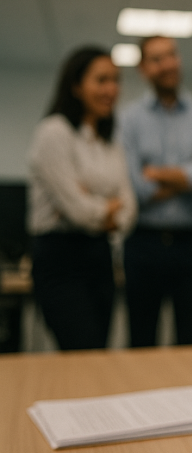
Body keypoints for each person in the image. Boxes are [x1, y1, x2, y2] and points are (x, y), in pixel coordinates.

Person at [28, 46, 137, 350]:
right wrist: (106, 205)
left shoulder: (109, 141)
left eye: (115, 80)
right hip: (60, 258)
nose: (111, 89)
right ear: (76, 86)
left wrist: (96, 204)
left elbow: (129, 209)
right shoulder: (54, 133)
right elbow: (77, 210)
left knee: (99, 353)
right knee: (80, 349)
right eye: (101, 80)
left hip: (100, 257)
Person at [119, 36, 192, 347]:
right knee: (141, 342)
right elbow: (134, 186)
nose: (167, 64)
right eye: (157, 59)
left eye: (171, 56)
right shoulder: (127, 120)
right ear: (142, 68)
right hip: (143, 245)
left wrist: (159, 174)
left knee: (191, 342)